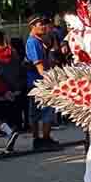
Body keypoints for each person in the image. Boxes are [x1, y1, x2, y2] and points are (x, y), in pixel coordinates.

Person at [25, 15, 59, 150]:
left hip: (36, 82)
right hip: (38, 82)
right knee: (46, 111)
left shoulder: (38, 41)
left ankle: (40, 139)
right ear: (32, 26)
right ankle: (42, 139)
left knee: (37, 112)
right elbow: (40, 69)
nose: (44, 26)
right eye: (40, 24)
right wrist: (51, 82)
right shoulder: (33, 42)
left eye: (45, 24)